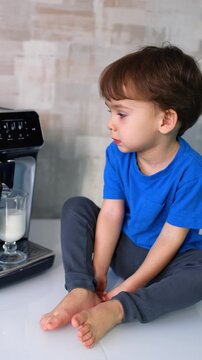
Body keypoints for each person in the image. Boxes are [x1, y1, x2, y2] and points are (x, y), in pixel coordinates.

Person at [40, 45, 202, 349]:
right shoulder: (118, 153)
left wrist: (126, 290)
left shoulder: (192, 172)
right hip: (123, 248)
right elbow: (112, 213)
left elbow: (170, 239)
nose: (110, 123)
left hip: (168, 262)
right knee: (76, 207)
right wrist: (99, 274)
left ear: (165, 121)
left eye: (121, 113)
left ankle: (118, 311)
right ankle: (80, 289)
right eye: (110, 111)